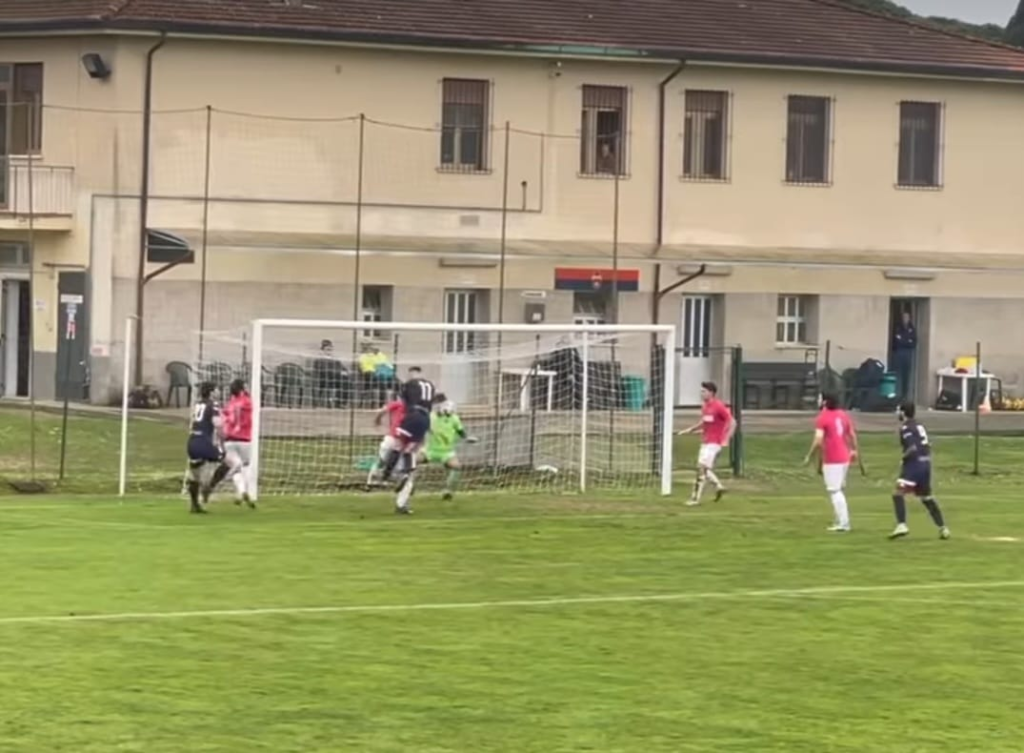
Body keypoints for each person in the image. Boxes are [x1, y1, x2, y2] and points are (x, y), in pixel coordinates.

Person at [890, 401, 951, 540]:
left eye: (899, 410)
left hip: (914, 464)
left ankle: (902, 525)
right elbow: (927, 444)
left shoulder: (906, 428)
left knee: (897, 493)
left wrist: (903, 458)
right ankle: (943, 528)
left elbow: (912, 447)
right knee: (926, 497)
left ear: (903, 412)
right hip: (925, 463)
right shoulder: (919, 426)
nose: (897, 413)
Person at [803, 392, 858, 533]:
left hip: (833, 458)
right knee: (839, 489)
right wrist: (854, 450)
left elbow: (818, 440)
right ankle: (839, 519)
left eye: (820, 398)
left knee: (834, 490)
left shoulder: (823, 417)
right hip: (844, 456)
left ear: (824, 401)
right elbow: (851, 434)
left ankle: (844, 523)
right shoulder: (843, 415)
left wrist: (809, 456)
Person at [677, 381, 735, 506]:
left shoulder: (718, 406)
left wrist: (726, 438)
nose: (701, 393)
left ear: (711, 393)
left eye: (704, 391)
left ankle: (695, 499)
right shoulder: (705, 406)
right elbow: (704, 422)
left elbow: (732, 422)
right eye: (701, 391)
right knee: (703, 468)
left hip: (714, 443)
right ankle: (719, 486)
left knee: (701, 469)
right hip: (705, 442)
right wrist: (690, 429)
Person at [383, 397, 435, 515]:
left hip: (397, 443)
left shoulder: (407, 412)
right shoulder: (425, 417)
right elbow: (422, 437)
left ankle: (387, 473)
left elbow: (399, 434)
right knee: (409, 476)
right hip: (410, 446)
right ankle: (401, 504)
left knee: (396, 451)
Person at [186, 382, 232, 514]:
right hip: (204, 442)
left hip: (192, 442)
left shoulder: (197, 404)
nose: (219, 392)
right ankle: (209, 487)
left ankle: (194, 505)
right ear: (211, 392)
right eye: (217, 389)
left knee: (194, 475)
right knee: (229, 462)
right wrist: (223, 439)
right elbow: (217, 424)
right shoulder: (213, 405)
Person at [422, 395, 478, 501]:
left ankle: (447, 491)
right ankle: (408, 486)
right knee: (412, 462)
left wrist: (467, 438)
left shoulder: (454, 418)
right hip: (430, 450)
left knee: (456, 467)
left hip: (447, 452)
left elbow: (460, 431)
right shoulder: (430, 417)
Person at [223, 378, 256, 509]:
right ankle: (245, 491)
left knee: (235, 468)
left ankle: (241, 491)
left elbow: (224, 417)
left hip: (229, 439)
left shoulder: (230, 404)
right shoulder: (247, 401)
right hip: (244, 439)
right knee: (246, 466)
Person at [366, 391, 406, 488]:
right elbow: (383, 410)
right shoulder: (399, 404)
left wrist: (377, 420)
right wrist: (377, 420)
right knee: (385, 458)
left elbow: (383, 410)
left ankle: (382, 478)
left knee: (392, 458)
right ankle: (372, 479)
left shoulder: (405, 406)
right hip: (395, 437)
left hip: (399, 438)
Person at [892, 310, 917, 400]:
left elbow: (913, 343)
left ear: (909, 318)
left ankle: (905, 396)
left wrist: (903, 340)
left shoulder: (911, 329)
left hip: (908, 354)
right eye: (904, 317)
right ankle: (896, 395)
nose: (905, 319)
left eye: (907, 317)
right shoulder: (898, 327)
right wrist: (906, 341)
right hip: (899, 353)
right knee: (898, 374)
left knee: (906, 375)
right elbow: (896, 341)